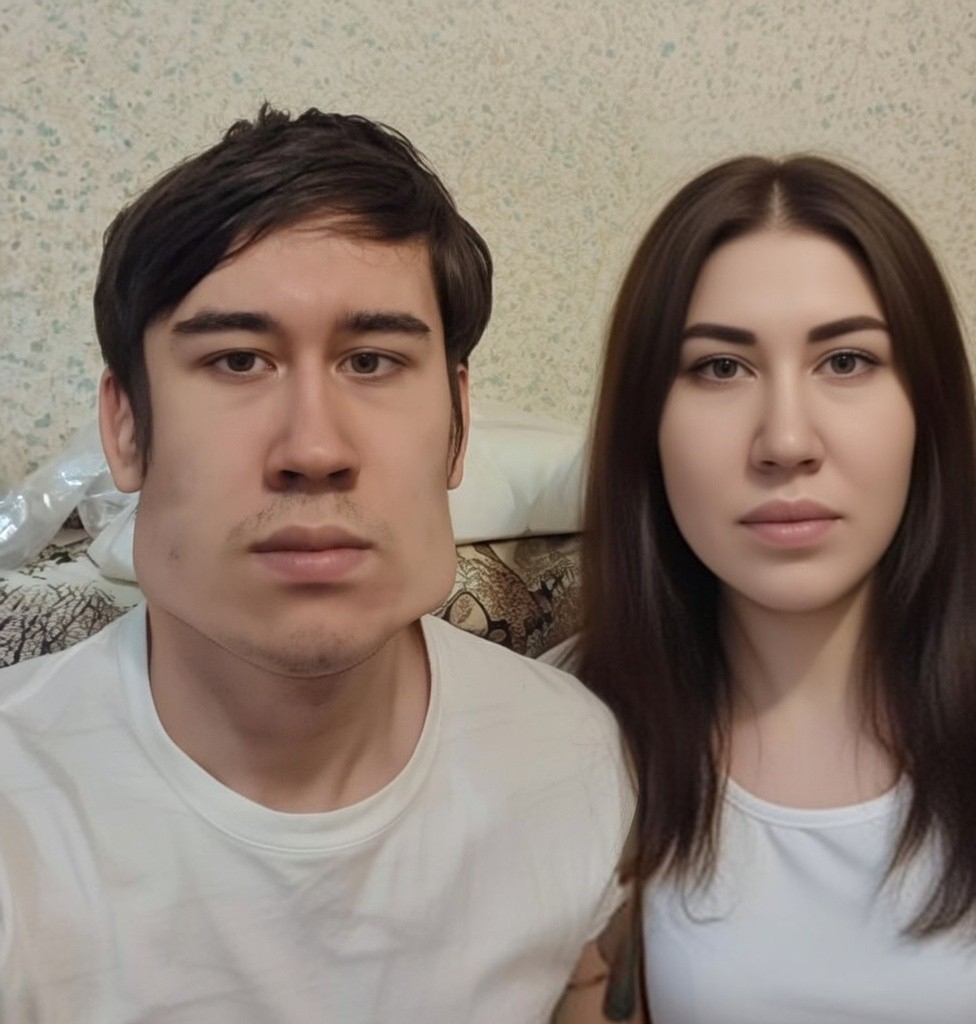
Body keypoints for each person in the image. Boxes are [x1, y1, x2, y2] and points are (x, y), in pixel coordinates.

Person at [0, 106, 635, 1023]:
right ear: (126, 426)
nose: (314, 448)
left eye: (371, 361)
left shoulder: (583, 763)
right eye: (238, 360)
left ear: (458, 423)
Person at [575, 156, 976, 1022]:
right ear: (646, 427)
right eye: (720, 368)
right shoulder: (568, 733)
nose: (785, 440)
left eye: (846, 360)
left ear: (926, 411)